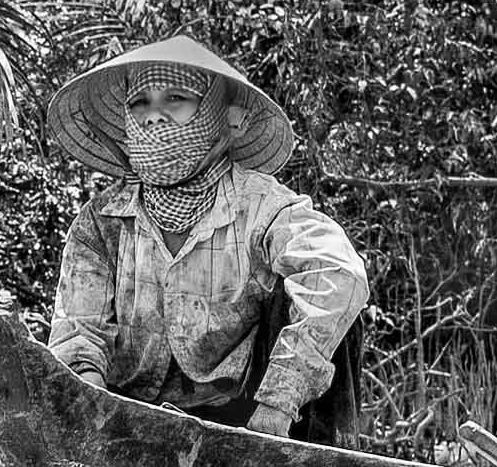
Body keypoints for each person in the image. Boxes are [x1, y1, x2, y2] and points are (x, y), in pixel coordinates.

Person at [44, 36, 369, 442]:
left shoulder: (262, 207)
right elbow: (78, 335)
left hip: (249, 419)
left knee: (327, 309)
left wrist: (278, 402)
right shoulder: (102, 222)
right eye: (139, 103)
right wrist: (93, 416)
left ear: (224, 117)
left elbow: (338, 273)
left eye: (176, 99)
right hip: (130, 417)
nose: (153, 117)